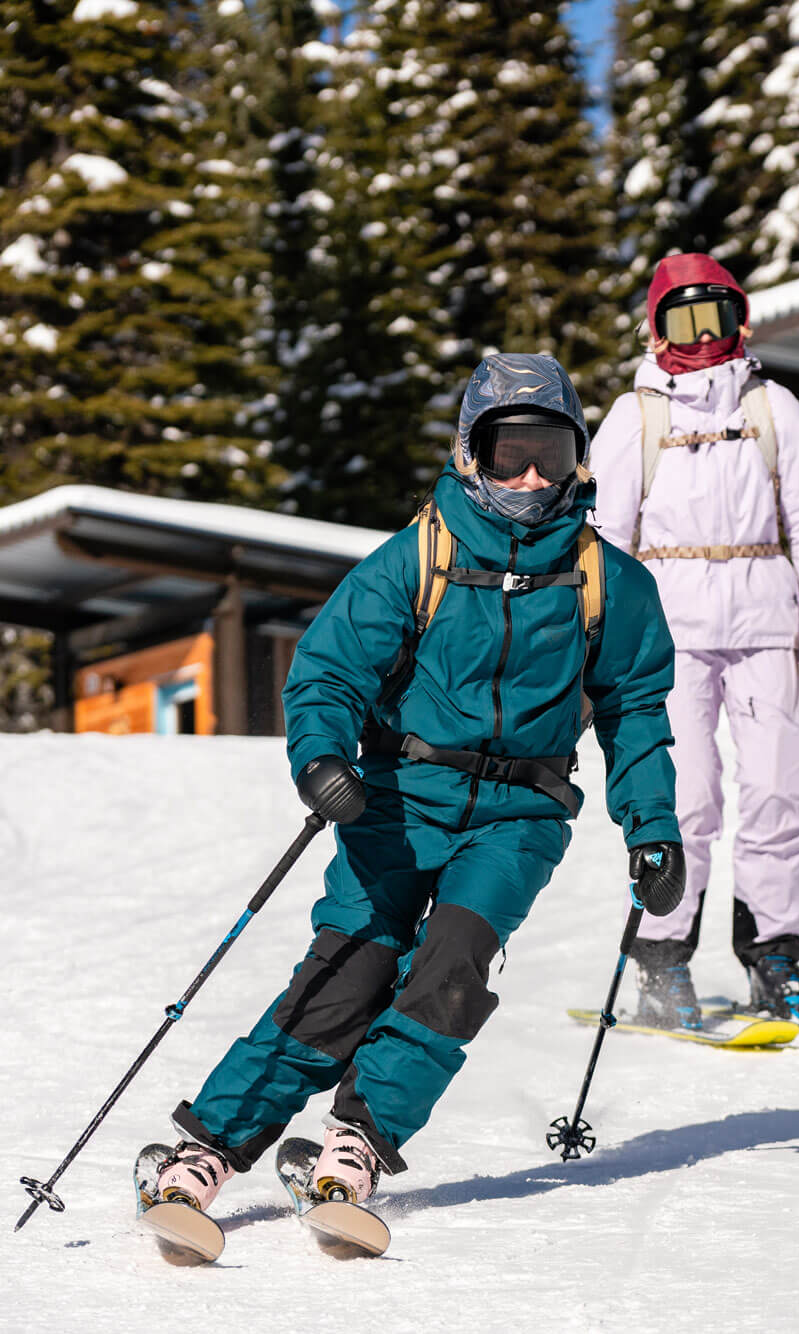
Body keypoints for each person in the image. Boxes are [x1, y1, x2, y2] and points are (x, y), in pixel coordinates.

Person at [144, 352, 687, 1216]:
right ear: (471, 454)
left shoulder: (611, 583)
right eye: (508, 453)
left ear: (580, 454)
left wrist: (652, 827)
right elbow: (326, 671)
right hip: (397, 797)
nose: (532, 474)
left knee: (452, 968)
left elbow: (638, 712)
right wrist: (322, 760)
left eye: (550, 448)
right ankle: (208, 1146)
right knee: (349, 974)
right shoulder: (414, 558)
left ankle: (357, 1139)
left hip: (521, 814)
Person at [590, 253, 799, 1031]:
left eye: (717, 319)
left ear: (742, 319)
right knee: (686, 799)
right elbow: (605, 532)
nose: (702, 338)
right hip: (671, 632)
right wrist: (603, 632)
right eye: (683, 321)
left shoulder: (775, 408)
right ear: (655, 328)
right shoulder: (638, 416)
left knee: (778, 794)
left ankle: (775, 959)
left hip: (767, 619)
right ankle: (662, 965)